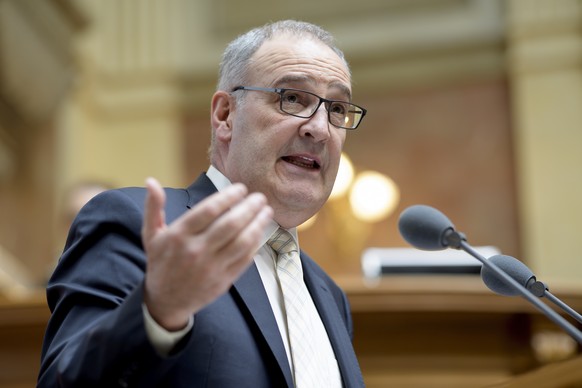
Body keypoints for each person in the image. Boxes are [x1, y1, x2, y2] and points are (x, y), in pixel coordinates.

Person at [38, 19, 367, 387]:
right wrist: (157, 311)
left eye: (337, 109)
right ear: (225, 115)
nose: (320, 128)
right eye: (291, 98)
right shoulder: (137, 223)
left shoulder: (329, 295)